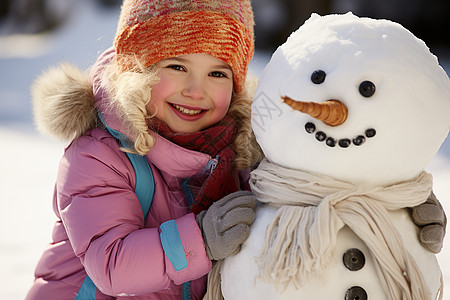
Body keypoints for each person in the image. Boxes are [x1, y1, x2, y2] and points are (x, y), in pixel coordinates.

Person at [26, 0, 263, 299]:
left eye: (217, 73)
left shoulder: (239, 153)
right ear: (137, 71)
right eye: (177, 66)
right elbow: (112, 266)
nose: (195, 90)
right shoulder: (100, 155)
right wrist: (202, 239)